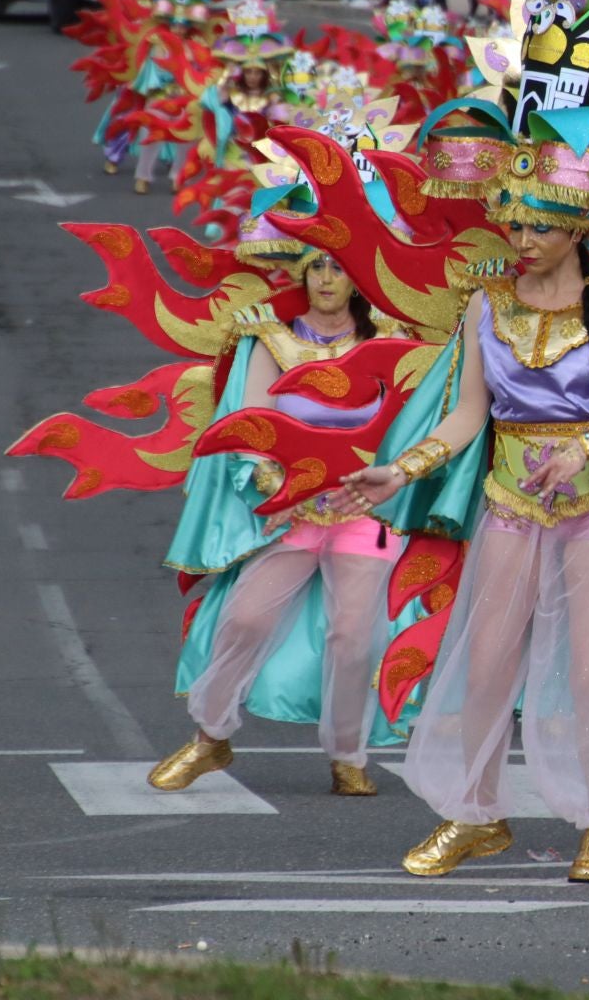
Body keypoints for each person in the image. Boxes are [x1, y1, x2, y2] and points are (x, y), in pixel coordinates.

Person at [337, 105, 589, 884]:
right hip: (509, 502)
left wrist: (587, 445)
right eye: (514, 224)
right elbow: (470, 412)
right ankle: (475, 813)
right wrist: (400, 470)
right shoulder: (484, 306)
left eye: (538, 227)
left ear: (576, 230)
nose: (522, 240)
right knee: (488, 663)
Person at [147, 235, 411, 800]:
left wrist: (380, 487)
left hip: (365, 511)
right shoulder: (271, 340)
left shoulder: (394, 344)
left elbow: (409, 429)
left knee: (354, 634)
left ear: (359, 279)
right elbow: (250, 429)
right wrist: (278, 491)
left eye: (339, 268)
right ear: (300, 273)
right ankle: (210, 736)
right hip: (292, 513)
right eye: (316, 267)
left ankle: (347, 756)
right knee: (245, 620)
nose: (325, 279)